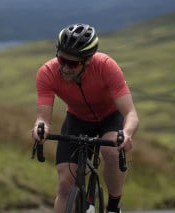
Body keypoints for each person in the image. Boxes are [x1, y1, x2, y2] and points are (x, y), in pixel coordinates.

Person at [32, 23, 139, 213]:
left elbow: (131, 114)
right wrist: (40, 128)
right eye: (61, 60)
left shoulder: (106, 66)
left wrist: (127, 133)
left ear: (88, 60)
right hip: (77, 119)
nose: (64, 68)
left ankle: (114, 206)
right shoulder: (47, 73)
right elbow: (43, 119)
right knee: (65, 185)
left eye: (72, 64)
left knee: (111, 152)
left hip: (109, 118)